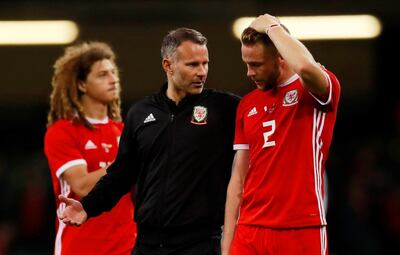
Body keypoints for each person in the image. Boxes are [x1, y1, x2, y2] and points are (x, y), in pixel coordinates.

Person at [58, 28, 240, 255]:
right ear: (168, 65)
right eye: (193, 65)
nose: (202, 72)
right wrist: (87, 207)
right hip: (147, 244)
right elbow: (121, 174)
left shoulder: (224, 109)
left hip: (199, 244)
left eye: (205, 63)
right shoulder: (141, 113)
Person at [222, 14, 341, 255]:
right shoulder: (247, 105)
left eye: (256, 64)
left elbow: (305, 66)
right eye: (246, 63)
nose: (249, 72)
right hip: (250, 230)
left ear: (280, 57)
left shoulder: (313, 90)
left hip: (301, 227)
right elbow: (238, 179)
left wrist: (273, 28)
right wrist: (227, 246)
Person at [44, 41, 136, 255]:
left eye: (114, 73)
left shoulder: (127, 131)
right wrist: (126, 164)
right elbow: (82, 186)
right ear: (82, 85)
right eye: (103, 74)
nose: (113, 80)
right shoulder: (62, 131)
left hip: (127, 247)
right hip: (80, 247)